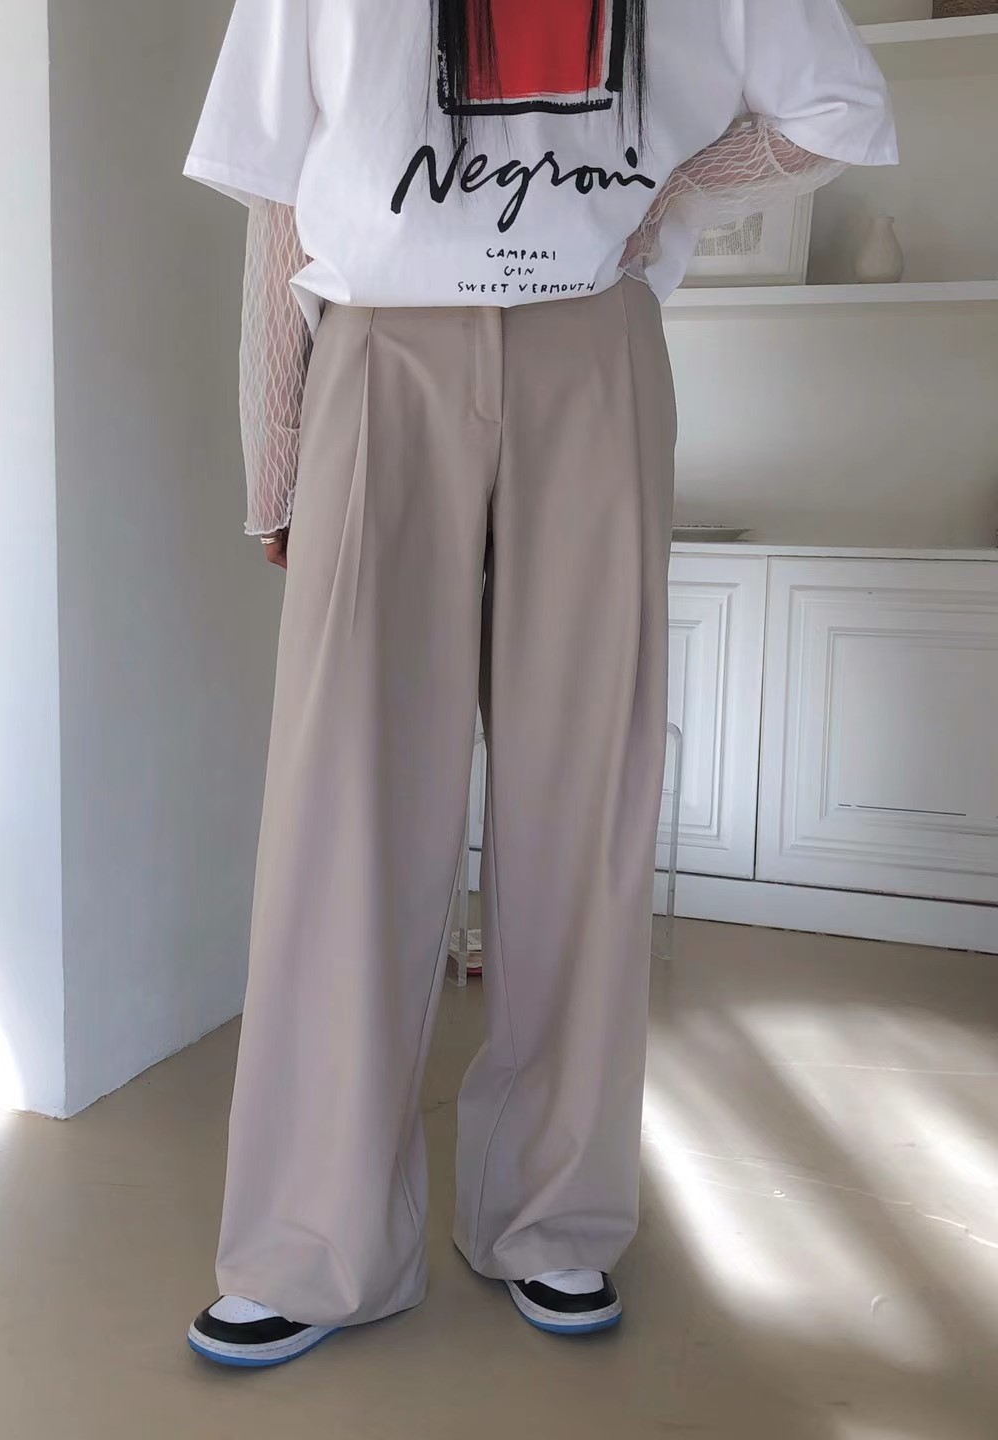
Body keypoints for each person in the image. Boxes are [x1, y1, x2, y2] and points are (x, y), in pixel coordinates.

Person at [183, 0, 896, 1367]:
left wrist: (668, 188)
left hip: (591, 343)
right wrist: (275, 453)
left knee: (583, 796)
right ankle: (309, 1239)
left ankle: (554, 1213)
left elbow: (835, 108)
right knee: (344, 803)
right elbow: (278, 193)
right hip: (379, 348)